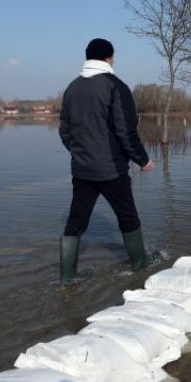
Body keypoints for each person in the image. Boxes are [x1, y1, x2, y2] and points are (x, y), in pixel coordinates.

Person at [58, 38, 155, 285]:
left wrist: (80, 153)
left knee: (76, 223)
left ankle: (67, 279)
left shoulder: (71, 88)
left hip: (82, 170)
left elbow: (64, 131)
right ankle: (140, 267)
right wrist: (142, 159)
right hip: (112, 170)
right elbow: (126, 130)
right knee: (128, 218)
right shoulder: (116, 86)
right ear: (108, 58)